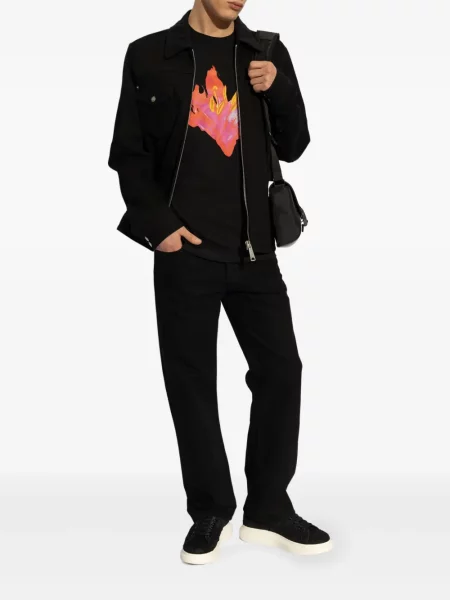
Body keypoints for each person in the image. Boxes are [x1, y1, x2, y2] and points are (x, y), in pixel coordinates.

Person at [108, 0, 332, 565]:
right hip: (186, 253)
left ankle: (269, 508)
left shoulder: (265, 52)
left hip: (255, 252)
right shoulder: (149, 56)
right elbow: (129, 155)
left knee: (282, 371)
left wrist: (278, 87)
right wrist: (159, 228)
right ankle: (210, 509)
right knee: (191, 383)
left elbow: (296, 144)